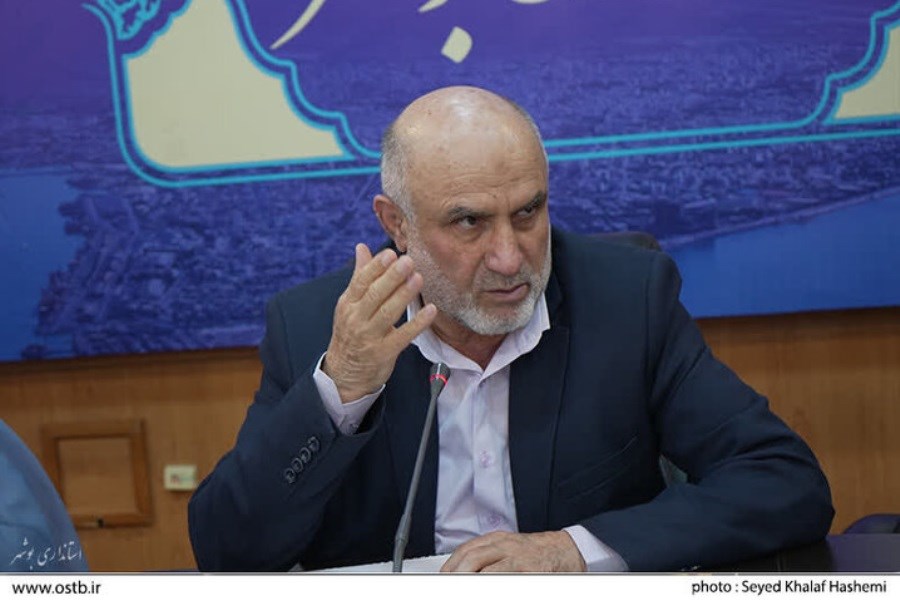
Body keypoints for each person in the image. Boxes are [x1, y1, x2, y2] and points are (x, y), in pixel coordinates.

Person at [188, 86, 833, 572]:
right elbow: (227, 552)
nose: (509, 257)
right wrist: (342, 391)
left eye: (528, 212)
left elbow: (784, 480)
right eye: (468, 222)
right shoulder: (316, 329)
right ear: (397, 225)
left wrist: (573, 551)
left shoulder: (626, 301)